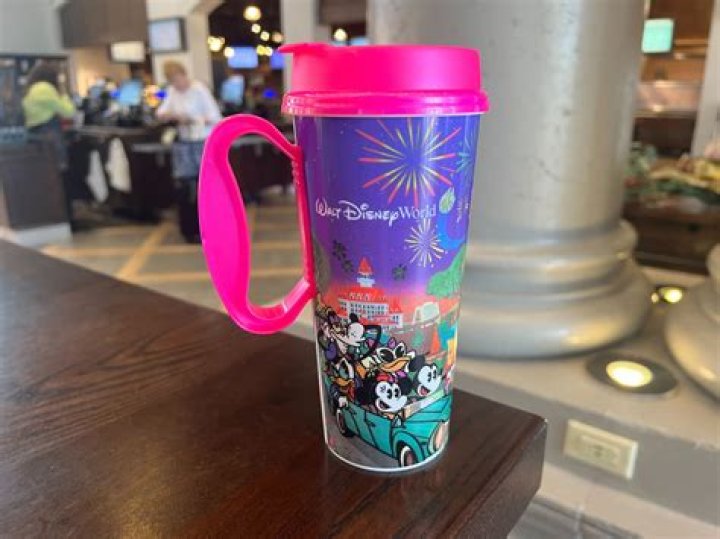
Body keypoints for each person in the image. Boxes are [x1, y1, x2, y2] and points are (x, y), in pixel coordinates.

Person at [22, 62, 75, 168]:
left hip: (34, 135)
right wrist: (63, 94)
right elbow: (69, 112)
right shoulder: (45, 88)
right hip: (50, 136)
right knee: (57, 169)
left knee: (42, 171)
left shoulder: (30, 91)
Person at [156, 60, 221, 140]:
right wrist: (170, 115)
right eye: (173, 82)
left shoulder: (199, 89)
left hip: (204, 137)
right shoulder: (172, 91)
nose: (177, 84)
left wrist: (191, 120)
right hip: (185, 138)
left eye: (178, 80)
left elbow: (215, 117)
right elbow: (160, 112)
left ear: (184, 75)